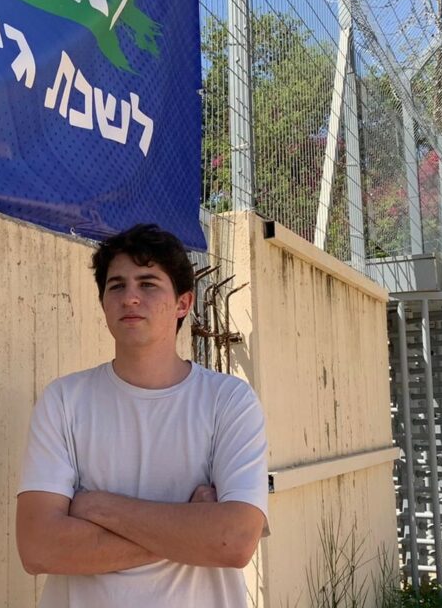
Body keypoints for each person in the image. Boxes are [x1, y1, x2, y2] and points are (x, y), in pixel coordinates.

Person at [16, 223, 269, 607]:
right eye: (116, 286)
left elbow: (233, 542)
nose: (130, 298)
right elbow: (38, 549)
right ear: (103, 302)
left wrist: (96, 507)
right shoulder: (64, 400)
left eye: (148, 284)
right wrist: (190, 526)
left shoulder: (229, 401)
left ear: (183, 303)